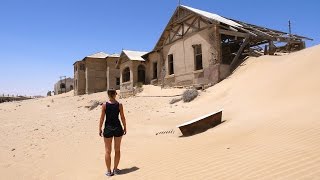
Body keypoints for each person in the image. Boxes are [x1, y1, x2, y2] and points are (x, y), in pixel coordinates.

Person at [99, 89, 127, 176]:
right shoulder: (119, 105)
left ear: (108, 95)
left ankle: (108, 171)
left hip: (108, 129)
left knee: (108, 151)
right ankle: (115, 169)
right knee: (117, 150)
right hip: (118, 128)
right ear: (115, 94)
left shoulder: (104, 105)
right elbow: (122, 117)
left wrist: (99, 128)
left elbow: (102, 118)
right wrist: (125, 127)